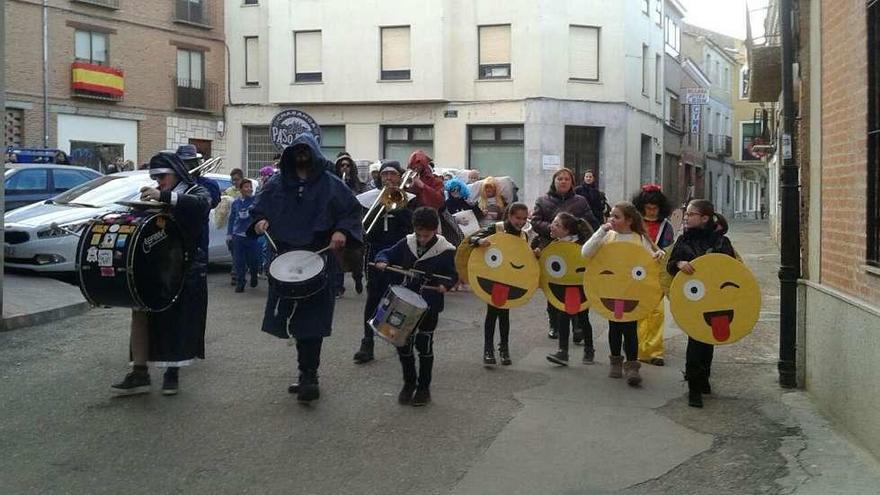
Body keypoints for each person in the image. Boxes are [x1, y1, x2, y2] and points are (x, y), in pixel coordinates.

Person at [249, 133, 363, 403]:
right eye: (296, 152)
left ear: (313, 153)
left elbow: (350, 212)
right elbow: (257, 210)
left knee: (313, 320)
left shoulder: (331, 184)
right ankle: (304, 373)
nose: (301, 156)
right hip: (285, 258)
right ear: (291, 155)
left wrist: (341, 231)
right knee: (295, 319)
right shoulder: (277, 184)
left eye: (305, 151)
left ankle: (310, 375)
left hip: (318, 258)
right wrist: (260, 221)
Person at [110, 152, 212, 396]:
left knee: (174, 321)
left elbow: (202, 205)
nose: (158, 181)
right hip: (152, 266)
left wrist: (164, 196)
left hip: (183, 268)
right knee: (140, 314)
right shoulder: (156, 192)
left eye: (162, 176)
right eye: (155, 177)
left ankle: (172, 373)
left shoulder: (196, 191)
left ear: (176, 173)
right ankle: (139, 372)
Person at [374, 207, 458, 406]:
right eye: (419, 234)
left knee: (424, 345)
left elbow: (452, 274)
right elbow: (386, 253)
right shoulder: (407, 243)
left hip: (430, 305)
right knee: (402, 343)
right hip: (406, 303)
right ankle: (409, 383)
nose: (421, 239)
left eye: (426, 235)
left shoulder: (446, 250)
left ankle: (424, 388)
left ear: (435, 230)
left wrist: (445, 285)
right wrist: (382, 261)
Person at [581, 201, 663, 387]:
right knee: (615, 327)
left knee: (630, 329)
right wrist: (601, 231)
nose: (612, 219)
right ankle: (616, 362)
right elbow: (585, 253)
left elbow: (653, 260)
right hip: (611, 291)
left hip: (632, 293)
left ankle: (632, 366)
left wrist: (657, 256)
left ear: (629, 220)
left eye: (616, 216)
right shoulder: (608, 236)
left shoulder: (639, 239)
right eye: (610, 215)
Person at [667, 199, 735, 408]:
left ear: (704, 218)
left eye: (691, 214)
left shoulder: (721, 243)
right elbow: (670, 266)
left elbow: (731, 269)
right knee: (696, 338)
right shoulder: (684, 240)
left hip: (714, 299)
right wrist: (679, 264)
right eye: (686, 214)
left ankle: (704, 377)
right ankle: (694, 386)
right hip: (692, 299)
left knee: (708, 339)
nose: (686, 217)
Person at [353, 161, 415, 364]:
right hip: (375, 253)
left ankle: (399, 340)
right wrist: (380, 207)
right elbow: (364, 230)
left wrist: (400, 206)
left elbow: (413, 226)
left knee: (400, 298)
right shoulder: (368, 200)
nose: (388, 178)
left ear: (399, 177)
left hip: (400, 254)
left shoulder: (409, 199)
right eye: (384, 174)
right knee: (373, 297)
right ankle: (367, 341)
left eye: (392, 174)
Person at [531, 168, 597, 340]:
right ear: (554, 181)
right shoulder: (542, 200)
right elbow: (536, 222)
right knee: (554, 287)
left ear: (571, 182)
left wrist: (574, 231)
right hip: (551, 247)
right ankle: (554, 324)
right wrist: (554, 229)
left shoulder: (580, 201)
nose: (563, 181)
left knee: (576, 286)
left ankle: (578, 326)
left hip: (575, 249)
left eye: (566, 179)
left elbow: (590, 223)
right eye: (559, 178)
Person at [469, 203, 530, 366]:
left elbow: (525, 259)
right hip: (492, 278)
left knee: (504, 314)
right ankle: (488, 349)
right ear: (509, 215)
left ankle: (504, 348)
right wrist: (480, 241)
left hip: (509, 280)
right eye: (518, 218)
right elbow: (471, 240)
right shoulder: (496, 228)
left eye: (524, 219)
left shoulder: (524, 236)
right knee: (492, 314)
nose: (521, 222)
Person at [538, 212, 595, 366]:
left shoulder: (581, 246)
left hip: (580, 288)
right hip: (562, 288)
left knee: (583, 318)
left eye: (557, 225)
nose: (552, 226)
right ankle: (563, 351)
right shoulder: (554, 245)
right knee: (562, 318)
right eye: (553, 222)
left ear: (567, 230)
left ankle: (589, 349)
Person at [632, 184, 676, 366]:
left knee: (657, 312)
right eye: (648, 208)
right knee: (637, 311)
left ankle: (655, 351)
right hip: (635, 273)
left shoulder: (666, 227)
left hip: (657, 273)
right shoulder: (634, 224)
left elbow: (669, 250)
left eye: (654, 208)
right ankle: (638, 349)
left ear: (660, 208)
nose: (651, 211)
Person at [333, 152, 366, 297]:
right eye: (342, 165)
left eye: (347, 165)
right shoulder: (333, 183)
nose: (344, 168)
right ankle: (338, 287)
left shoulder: (358, 184)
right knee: (337, 256)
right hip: (338, 224)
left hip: (354, 225)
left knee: (356, 257)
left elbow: (362, 202)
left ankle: (358, 278)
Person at [227, 179, 261, 292]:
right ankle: (240, 282)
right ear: (241, 189)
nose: (249, 189)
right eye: (246, 187)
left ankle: (254, 275)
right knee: (239, 261)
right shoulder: (236, 203)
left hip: (251, 235)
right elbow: (232, 219)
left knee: (254, 260)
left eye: (250, 187)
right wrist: (229, 234)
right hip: (238, 236)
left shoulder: (255, 201)